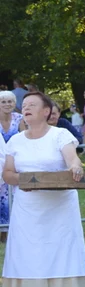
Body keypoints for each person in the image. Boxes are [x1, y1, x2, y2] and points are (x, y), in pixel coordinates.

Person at [1, 92, 85, 287]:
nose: (25, 108)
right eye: (24, 105)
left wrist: (75, 166)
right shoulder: (15, 141)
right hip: (28, 207)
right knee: (30, 251)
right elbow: (8, 173)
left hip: (60, 206)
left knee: (68, 247)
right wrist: (24, 181)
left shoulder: (60, 134)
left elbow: (72, 158)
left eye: (32, 105)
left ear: (46, 111)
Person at [0, 90, 24, 230]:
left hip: (15, 162)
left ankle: (12, 229)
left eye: (10, 101)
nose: (7, 104)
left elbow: (25, 138)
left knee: (13, 197)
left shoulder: (19, 119)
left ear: (14, 103)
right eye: (3, 101)